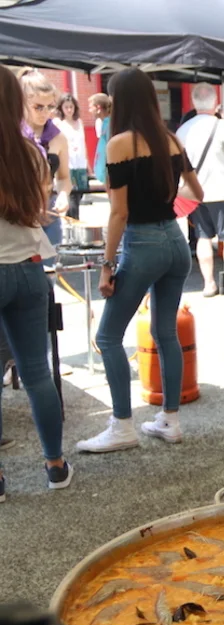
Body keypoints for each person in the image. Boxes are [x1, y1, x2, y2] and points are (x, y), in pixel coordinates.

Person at [76, 69, 202, 453]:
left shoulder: (119, 144)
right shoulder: (171, 139)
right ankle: (170, 420)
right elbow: (197, 192)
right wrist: (167, 206)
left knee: (107, 337)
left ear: (119, 102)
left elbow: (119, 213)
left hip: (142, 243)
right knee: (165, 333)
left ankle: (121, 426)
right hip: (175, 242)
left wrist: (106, 265)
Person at [0, 65, 72, 501]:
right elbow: (39, 209)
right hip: (29, 269)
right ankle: (55, 465)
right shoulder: (31, 152)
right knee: (37, 373)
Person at [177, 83, 224, 297]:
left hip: (195, 194)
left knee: (203, 238)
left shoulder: (183, 129)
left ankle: (209, 284)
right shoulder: (222, 126)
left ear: (194, 102)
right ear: (215, 101)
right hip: (222, 190)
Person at [20, 71, 70, 249]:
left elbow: (64, 177)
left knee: (52, 263)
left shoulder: (58, 137)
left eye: (50, 107)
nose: (45, 113)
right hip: (19, 212)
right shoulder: (12, 136)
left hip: (49, 210)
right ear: (22, 103)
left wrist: (63, 196)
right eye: (38, 107)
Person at [54, 93, 89, 220]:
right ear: (61, 108)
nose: (69, 110)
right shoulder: (58, 124)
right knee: (71, 195)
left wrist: (88, 163)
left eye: (71, 107)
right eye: (66, 107)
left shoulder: (79, 122)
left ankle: (73, 218)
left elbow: (83, 143)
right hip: (67, 164)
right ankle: (73, 220)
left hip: (80, 163)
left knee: (80, 193)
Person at [89, 93, 111, 183]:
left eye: (91, 107)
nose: (89, 110)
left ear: (98, 108)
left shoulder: (109, 125)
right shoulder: (103, 123)